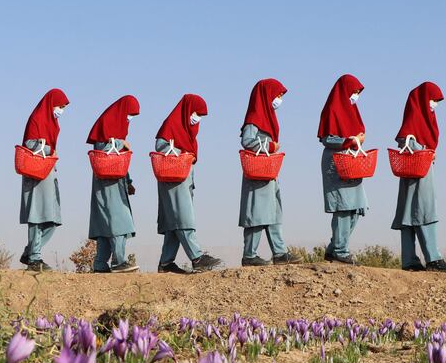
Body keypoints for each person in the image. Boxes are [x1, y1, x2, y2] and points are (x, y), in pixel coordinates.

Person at [154, 94, 223, 273]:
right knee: (184, 218)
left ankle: (166, 263)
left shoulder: (187, 132)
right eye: (196, 113)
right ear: (187, 110)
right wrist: (180, 152)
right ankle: (197, 257)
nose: (197, 118)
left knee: (173, 222)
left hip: (183, 181)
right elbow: (161, 146)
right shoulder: (171, 127)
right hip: (173, 182)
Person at [239, 79, 301, 267]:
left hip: (268, 172)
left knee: (274, 212)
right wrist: (269, 145)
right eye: (277, 95)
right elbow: (247, 141)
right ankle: (249, 255)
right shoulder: (254, 119)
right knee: (256, 214)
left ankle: (280, 253)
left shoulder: (268, 118)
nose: (279, 100)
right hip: (257, 173)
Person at [392, 82, 446, 272]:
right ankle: (433, 258)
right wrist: (424, 151)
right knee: (426, 211)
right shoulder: (413, 120)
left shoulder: (423, 122)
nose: (434, 104)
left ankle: (409, 260)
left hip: (417, 172)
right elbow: (405, 140)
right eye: (432, 100)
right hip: (417, 172)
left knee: (409, 213)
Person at [317, 74, 368, 265]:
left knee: (356, 208)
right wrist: (351, 140)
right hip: (335, 163)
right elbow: (327, 139)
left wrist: (355, 140)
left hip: (351, 163)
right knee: (343, 208)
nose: (355, 96)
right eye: (353, 92)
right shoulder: (332, 109)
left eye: (357, 93)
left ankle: (333, 248)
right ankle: (340, 250)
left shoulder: (352, 111)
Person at [86, 95, 140, 273]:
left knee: (106, 224)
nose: (129, 120)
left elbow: (120, 161)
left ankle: (101, 264)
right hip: (108, 187)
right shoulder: (105, 136)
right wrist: (119, 143)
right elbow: (106, 154)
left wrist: (129, 182)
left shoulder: (116, 137)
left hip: (115, 185)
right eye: (129, 115)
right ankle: (118, 261)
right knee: (119, 222)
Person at [19, 88, 69, 272]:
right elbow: (29, 145)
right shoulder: (37, 120)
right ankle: (34, 258)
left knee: (52, 219)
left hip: (48, 172)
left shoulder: (51, 122)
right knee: (37, 215)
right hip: (36, 173)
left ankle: (30, 252)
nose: (60, 110)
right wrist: (48, 150)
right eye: (60, 106)